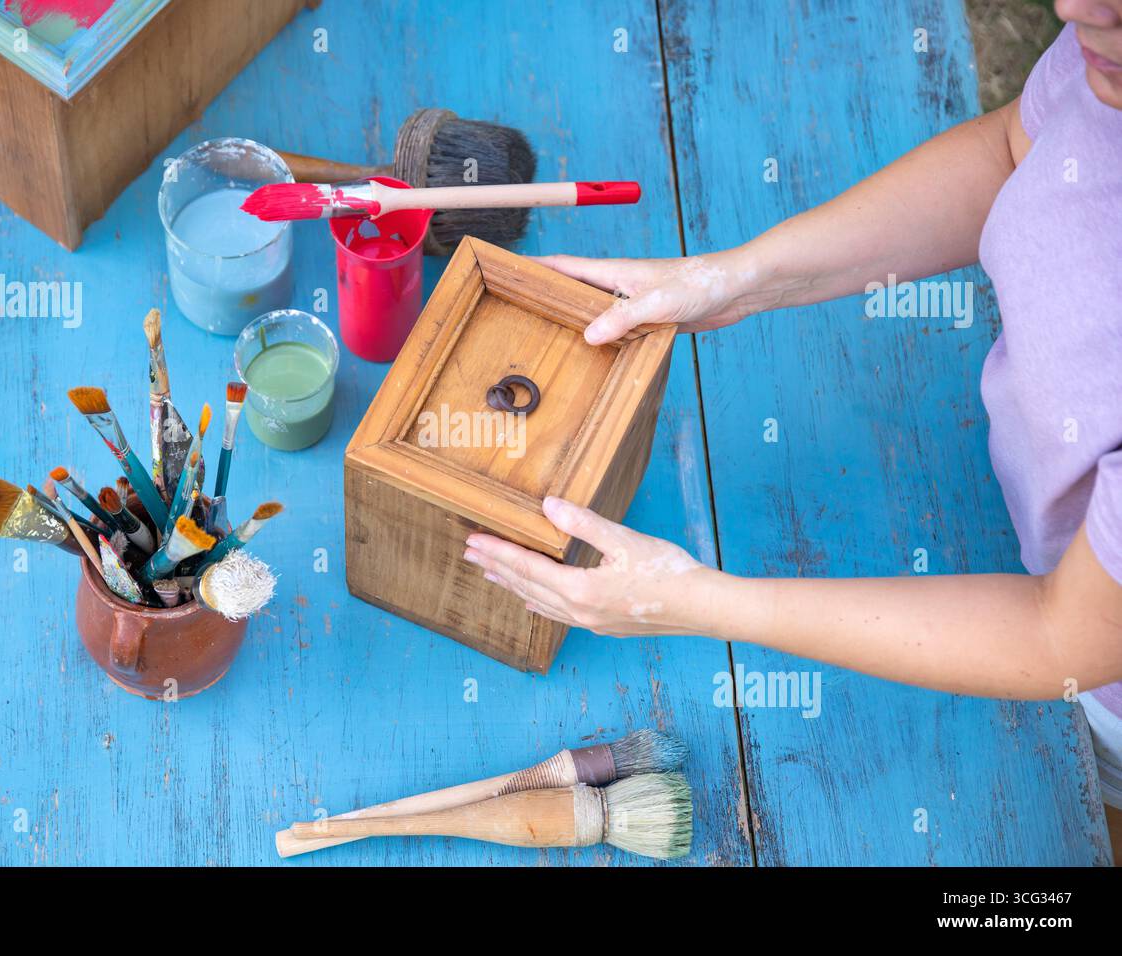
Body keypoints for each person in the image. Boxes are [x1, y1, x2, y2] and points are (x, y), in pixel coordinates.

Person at [464, 0, 1122, 860]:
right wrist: (733, 281)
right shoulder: (1106, 51)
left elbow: (1061, 636)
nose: (1074, 9)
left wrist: (696, 601)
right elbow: (1012, 155)